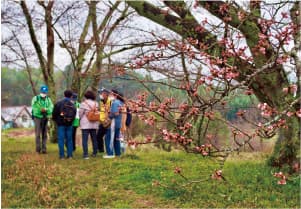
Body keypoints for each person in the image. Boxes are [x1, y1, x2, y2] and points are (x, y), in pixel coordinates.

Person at [52, 90, 76, 159]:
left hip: (61, 124)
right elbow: (74, 114)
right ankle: (70, 155)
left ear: (64, 94)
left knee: (61, 140)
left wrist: (56, 121)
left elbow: (54, 114)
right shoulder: (72, 104)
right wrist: (70, 121)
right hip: (69, 124)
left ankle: (62, 156)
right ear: (71, 96)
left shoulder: (59, 103)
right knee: (69, 140)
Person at [31, 85, 53, 154]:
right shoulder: (35, 98)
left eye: (45, 92)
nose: (44, 94)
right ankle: (38, 149)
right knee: (38, 134)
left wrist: (46, 110)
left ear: (46, 92)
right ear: (40, 92)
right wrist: (40, 110)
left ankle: (44, 149)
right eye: (43, 92)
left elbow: (51, 107)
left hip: (45, 117)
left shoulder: (48, 99)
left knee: (44, 134)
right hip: (37, 117)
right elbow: (34, 107)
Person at [103, 89, 124, 158]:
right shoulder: (120, 102)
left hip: (113, 123)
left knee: (108, 138)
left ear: (114, 95)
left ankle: (110, 153)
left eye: (110, 94)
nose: (109, 95)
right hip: (118, 123)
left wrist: (109, 115)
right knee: (116, 138)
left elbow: (115, 113)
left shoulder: (115, 103)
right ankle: (118, 153)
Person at [79, 90, 99, 159]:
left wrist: (80, 120)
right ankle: (95, 152)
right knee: (94, 139)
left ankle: (86, 155)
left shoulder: (83, 103)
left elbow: (80, 114)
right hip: (94, 123)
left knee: (85, 139)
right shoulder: (96, 103)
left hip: (85, 124)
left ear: (86, 96)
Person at [96, 88, 112, 154]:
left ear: (106, 94)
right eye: (101, 93)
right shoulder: (101, 101)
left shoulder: (110, 101)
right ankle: (101, 149)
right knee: (99, 136)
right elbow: (102, 110)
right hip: (102, 121)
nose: (101, 95)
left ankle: (110, 150)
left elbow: (110, 111)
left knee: (108, 137)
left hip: (108, 121)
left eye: (102, 93)